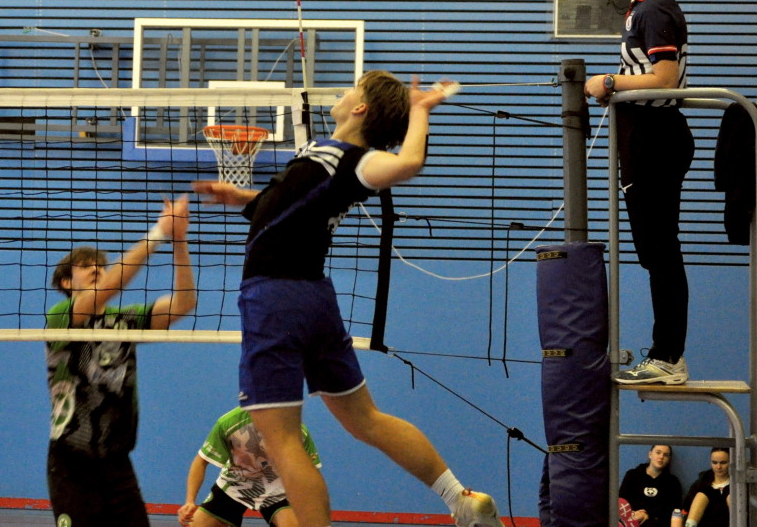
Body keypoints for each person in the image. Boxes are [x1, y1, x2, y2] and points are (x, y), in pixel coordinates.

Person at [193, 71, 501, 527]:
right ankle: (460, 499)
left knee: (281, 441)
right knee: (365, 420)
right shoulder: (322, 154)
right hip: (312, 298)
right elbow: (290, 205)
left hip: (275, 298)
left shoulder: (356, 160)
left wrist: (419, 110)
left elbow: (409, 163)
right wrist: (242, 198)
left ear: (360, 108)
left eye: (350, 89)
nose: (342, 92)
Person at [584, 0, 695, 385]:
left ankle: (668, 357)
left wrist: (609, 82)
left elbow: (665, 79)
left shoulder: (656, 8)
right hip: (642, 139)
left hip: (657, 140)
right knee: (654, 251)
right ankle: (666, 354)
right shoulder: (640, 8)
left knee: (660, 251)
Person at [46, 194, 196, 527]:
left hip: (117, 462)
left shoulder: (124, 320)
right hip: (72, 462)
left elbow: (184, 304)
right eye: (86, 266)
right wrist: (158, 232)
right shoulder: (61, 316)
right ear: (67, 283)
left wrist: (178, 241)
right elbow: (109, 289)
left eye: (100, 265)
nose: (96, 269)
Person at [178, 405, 319, 527]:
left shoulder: (297, 431)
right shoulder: (228, 423)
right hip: (236, 484)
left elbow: (310, 475)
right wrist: (190, 501)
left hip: (278, 488)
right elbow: (201, 461)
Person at [618, 445, 682, 526]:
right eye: (658, 452)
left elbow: (674, 509)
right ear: (650, 454)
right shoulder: (632, 475)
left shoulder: (673, 482)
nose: (661, 457)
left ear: (669, 459)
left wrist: (648, 515)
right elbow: (622, 501)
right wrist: (633, 514)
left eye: (666, 455)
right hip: (632, 522)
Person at [682, 448, 731, 527]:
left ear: (731, 462)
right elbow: (685, 509)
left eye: (723, 463)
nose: (718, 467)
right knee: (703, 493)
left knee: (732, 494)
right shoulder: (701, 484)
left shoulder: (737, 485)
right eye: (714, 462)